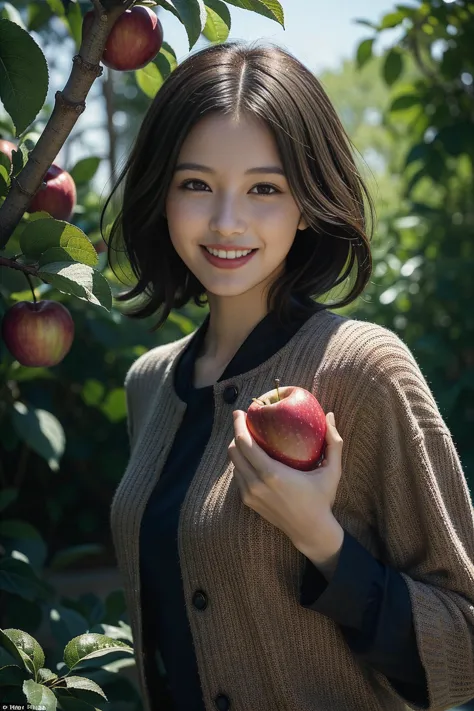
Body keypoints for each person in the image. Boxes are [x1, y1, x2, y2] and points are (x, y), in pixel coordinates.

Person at [104, 40, 474, 711]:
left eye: (264, 189)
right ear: (162, 194)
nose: (225, 222)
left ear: (307, 202)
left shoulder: (365, 370)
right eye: (196, 184)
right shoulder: (149, 384)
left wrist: (320, 539)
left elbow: (466, 639)